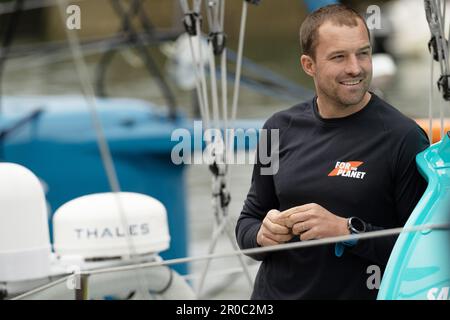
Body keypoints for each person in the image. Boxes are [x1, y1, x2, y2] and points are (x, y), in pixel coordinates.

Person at [235, 4, 429, 300]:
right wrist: (263, 234)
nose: (355, 67)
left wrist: (347, 231)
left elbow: (423, 250)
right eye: (339, 57)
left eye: (363, 53)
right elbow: (247, 223)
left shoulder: (403, 137)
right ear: (308, 65)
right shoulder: (277, 128)